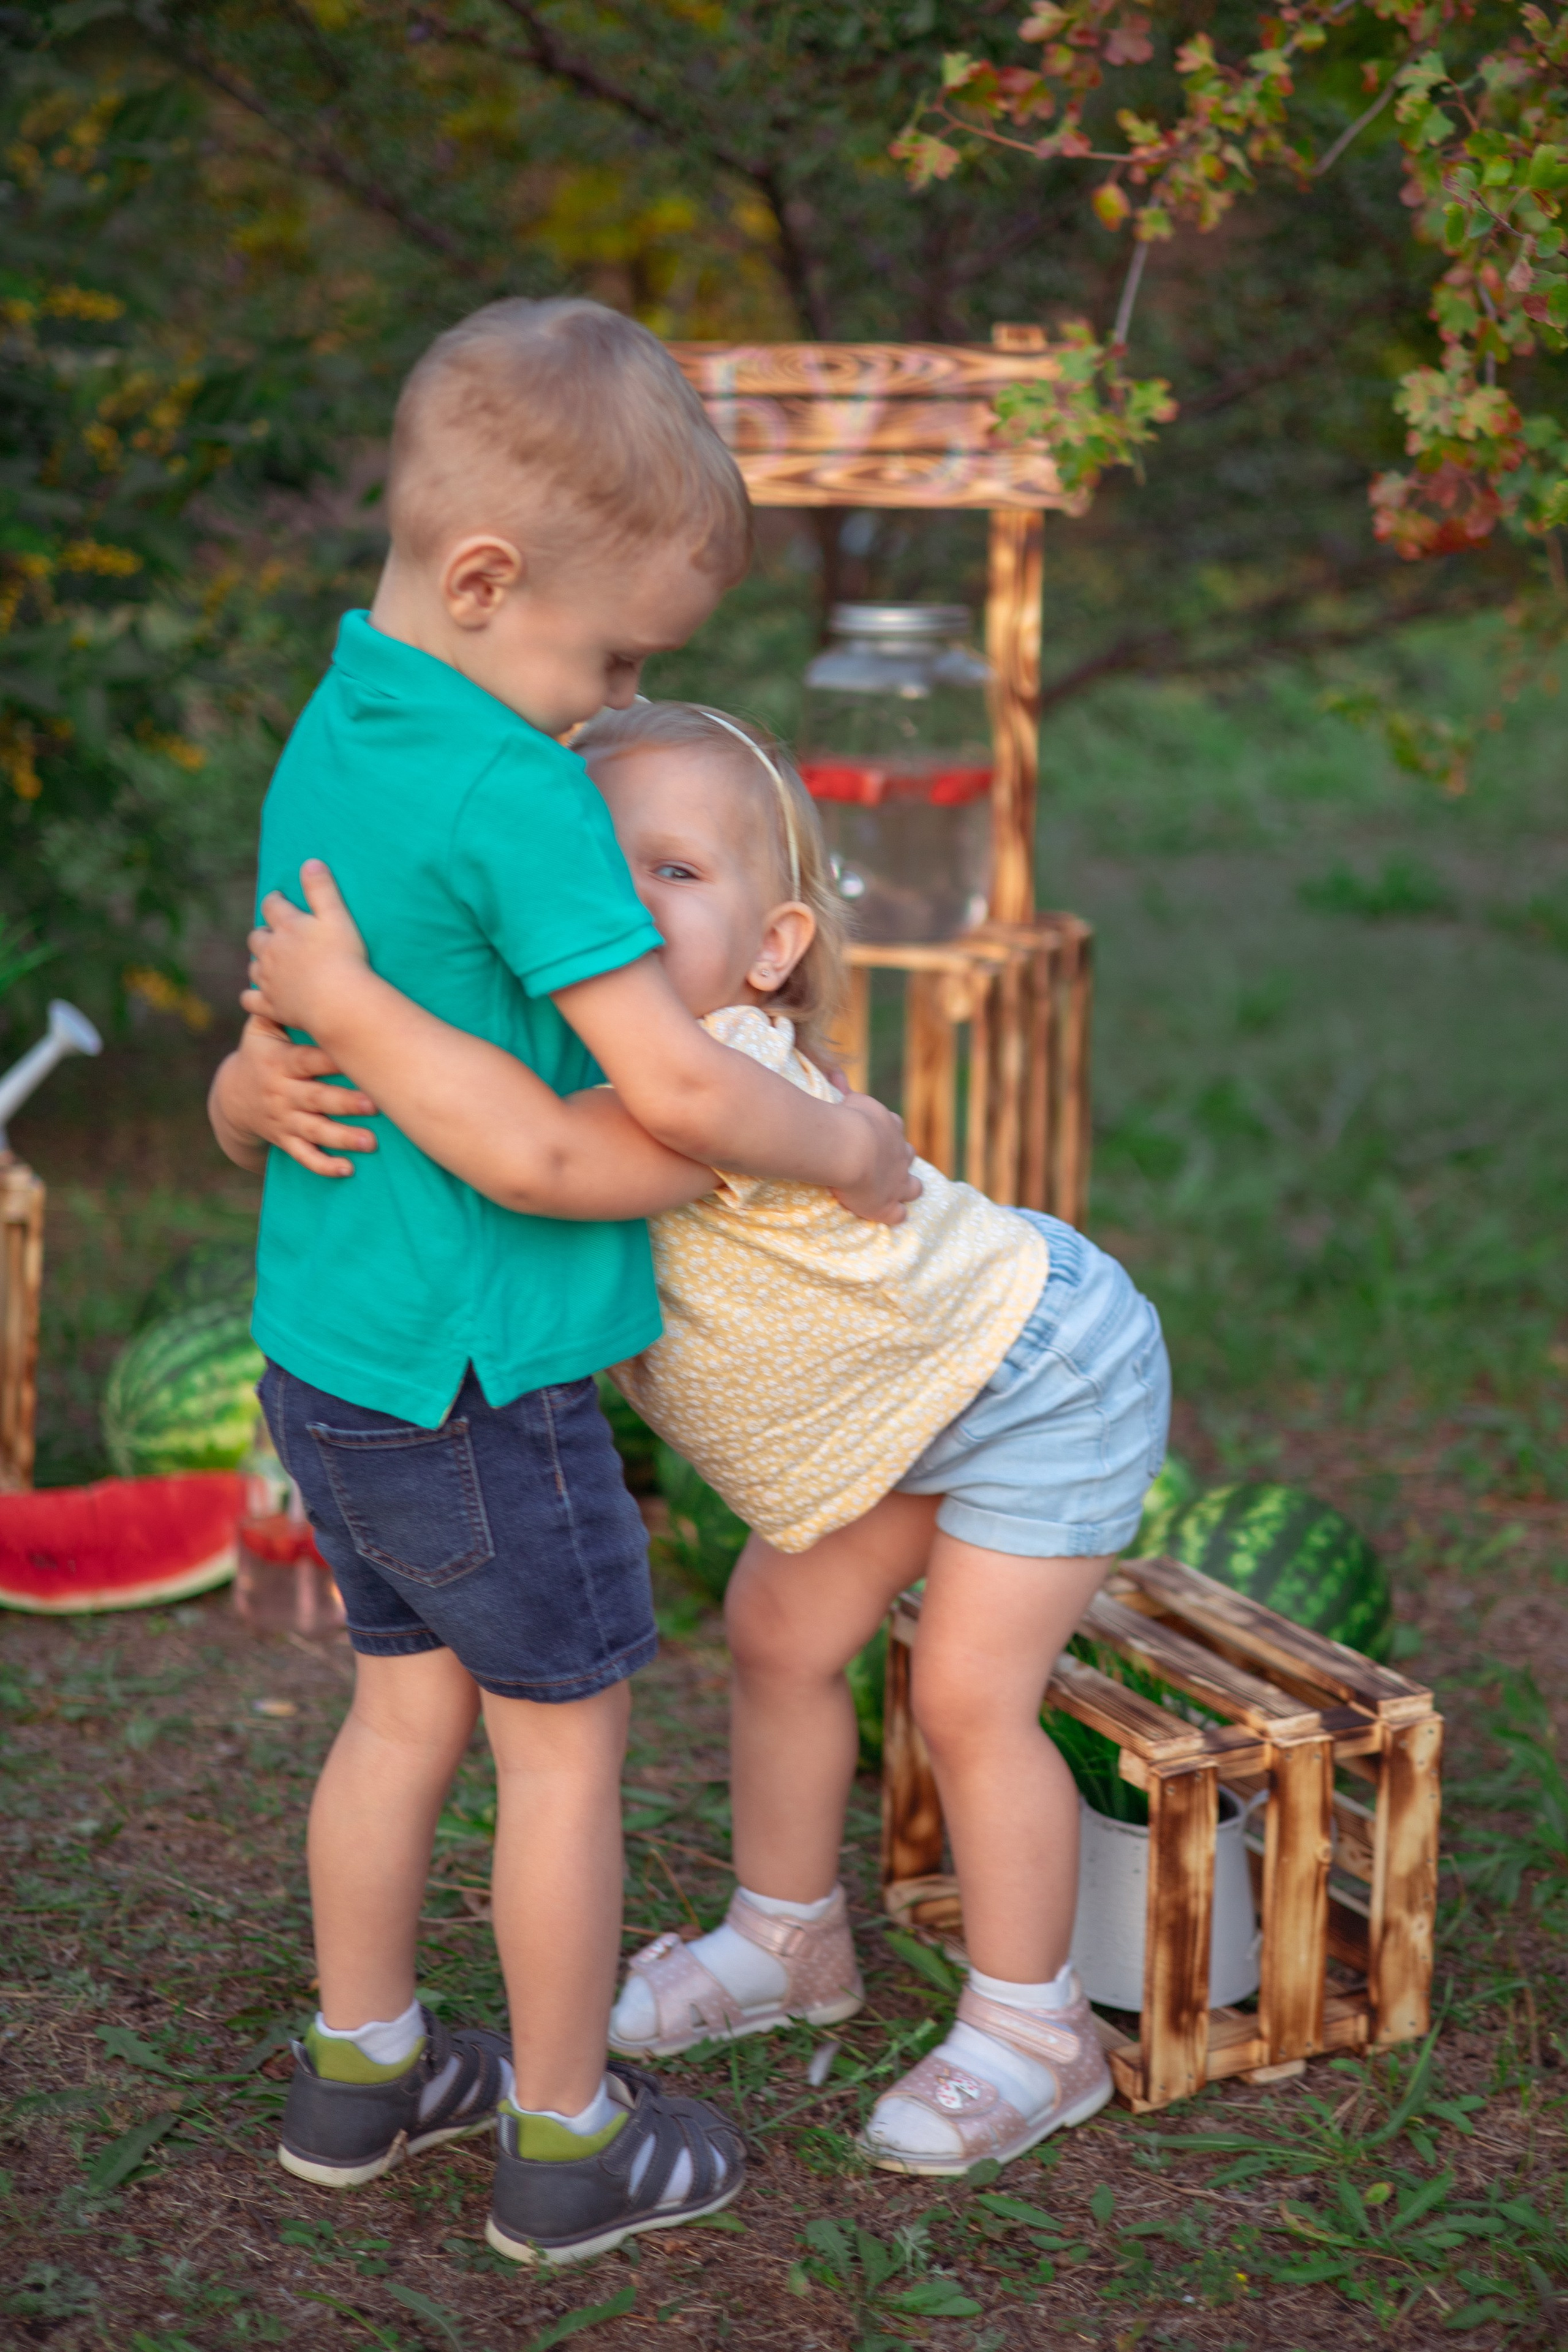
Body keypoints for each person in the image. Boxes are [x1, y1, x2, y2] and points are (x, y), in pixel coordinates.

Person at [222, 697, 1170, 2182]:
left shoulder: (711, 1078)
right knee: (779, 1637)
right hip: (893, 1412)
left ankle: (1032, 2029)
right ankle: (787, 1941)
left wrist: (349, 1009)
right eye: (587, 874)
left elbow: (519, 1160)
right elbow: (420, 1123)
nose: (617, 903)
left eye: (670, 871)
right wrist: (252, 1083)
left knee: (970, 1699)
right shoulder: (558, 1054)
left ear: (772, 946)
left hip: (1037, 1379)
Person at [208, 306, 919, 2266]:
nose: (609, 708)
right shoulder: (516, 790)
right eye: (611, 659)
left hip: (329, 1364)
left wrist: (243, 1084)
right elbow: (598, 1116)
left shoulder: (338, 720)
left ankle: (362, 2076)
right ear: (485, 581)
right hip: (477, 1374)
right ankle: (566, 2131)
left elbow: (294, 1023)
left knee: (396, 1715)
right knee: (563, 1753)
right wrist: (850, 1145)